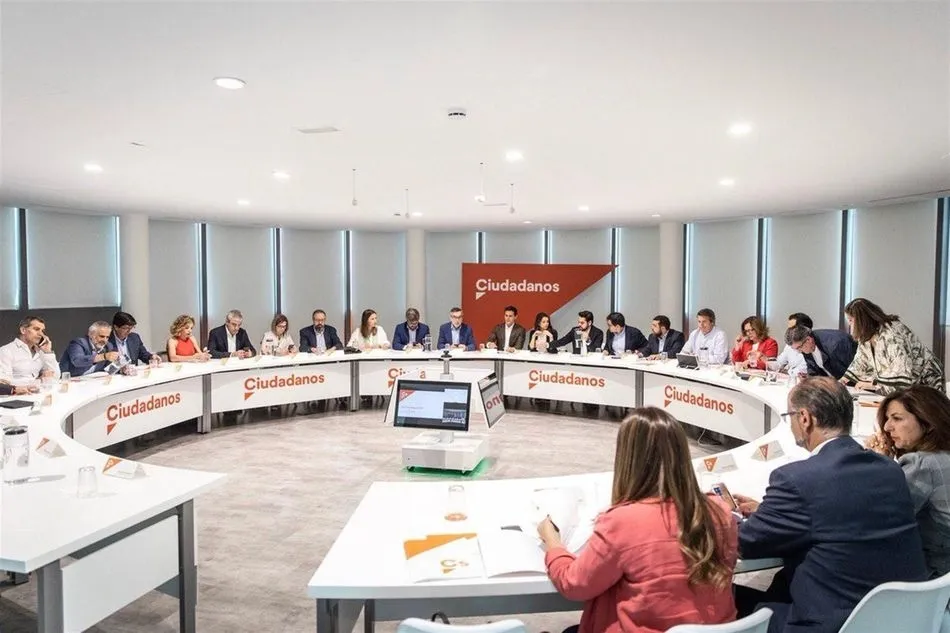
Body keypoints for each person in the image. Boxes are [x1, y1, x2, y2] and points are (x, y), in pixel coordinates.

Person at [734, 377, 927, 633]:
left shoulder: (796, 479)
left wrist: (719, 514)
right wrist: (772, 511)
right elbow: (841, 516)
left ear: (805, 418)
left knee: (717, 598)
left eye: (790, 416)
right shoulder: (889, 470)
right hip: (901, 619)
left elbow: (745, 543)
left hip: (830, 623)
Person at [540, 407, 738, 633]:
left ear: (627, 458)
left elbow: (574, 584)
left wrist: (552, 543)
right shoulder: (720, 511)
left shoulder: (622, 522)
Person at [866, 386, 950, 578]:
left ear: (928, 423)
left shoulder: (922, 465)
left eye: (897, 418)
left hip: (932, 579)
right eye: (887, 419)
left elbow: (878, 518)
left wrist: (879, 464)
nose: (887, 427)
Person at [841, 297, 943, 394]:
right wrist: (843, 381)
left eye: (850, 320)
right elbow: (860, 361)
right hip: (906, 384)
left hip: (925, 380)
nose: (849, 324)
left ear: (862, 320)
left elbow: (901, 369)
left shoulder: (892, 334)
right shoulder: (866, 336)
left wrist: (873, 384)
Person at [0, 315, 58, 384]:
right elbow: (4, 381)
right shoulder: (6, 350)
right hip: (18, 391)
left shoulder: (40, 352)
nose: (41, 334)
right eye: (36, 329)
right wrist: (38, 381)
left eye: (42, 331)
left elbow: (56, 376)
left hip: (40, 390)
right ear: (23, 330)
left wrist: (48, 352)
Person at [783, 325, 853, 380]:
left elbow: (851, 371)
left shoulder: (835, 345)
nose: (799, 351)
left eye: (799, 347)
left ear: (808, 339)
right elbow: (813, 371)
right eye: (795, 349)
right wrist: (808, 378)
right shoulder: (807, 346)